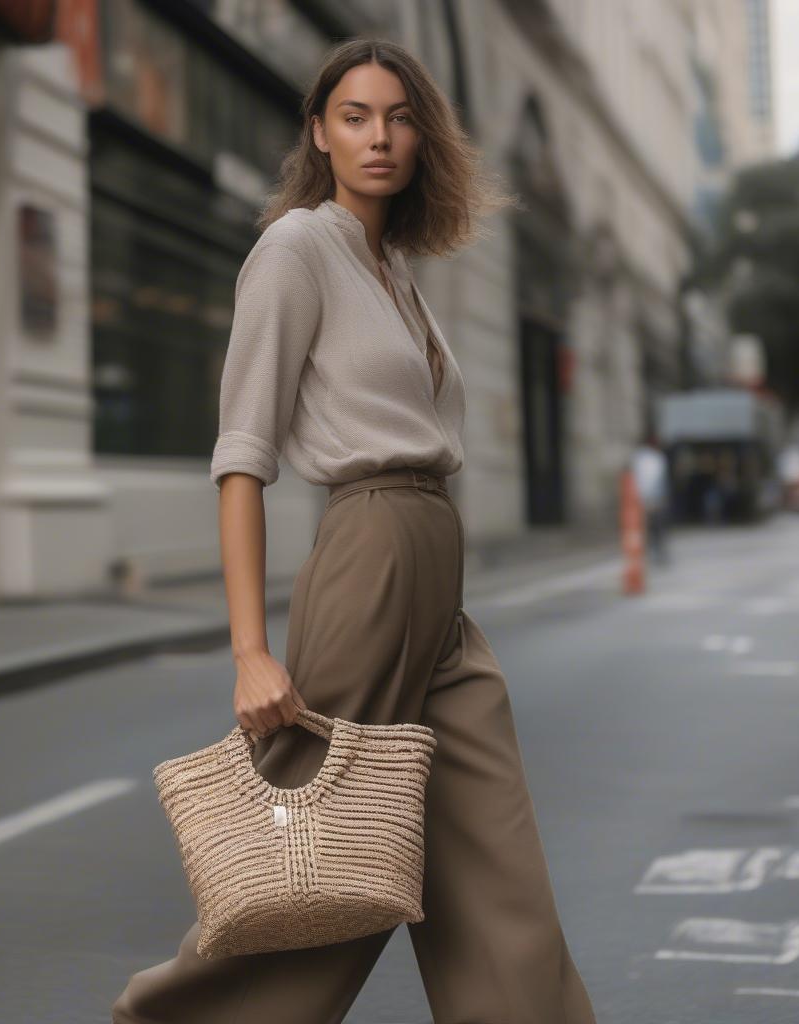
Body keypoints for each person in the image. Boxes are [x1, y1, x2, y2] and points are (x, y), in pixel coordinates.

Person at [112, 38, 597, 1024]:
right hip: (368, 560)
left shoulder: (395, 268)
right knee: (318, 858)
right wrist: (249, 649)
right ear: (319, 135)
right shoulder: (296, 248)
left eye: (398, 116)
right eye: (354, 116)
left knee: (497, 874)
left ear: (422, 136)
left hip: (436, 583)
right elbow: (240, 458)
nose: (378, 136)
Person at [631, 432, 670, 563]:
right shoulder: (651, 458)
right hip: (651, 498)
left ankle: (655, 553)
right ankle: (654, 553)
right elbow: (653, 480)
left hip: (648, 498)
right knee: (653, 528)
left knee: (653, 528)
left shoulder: (643, 458)